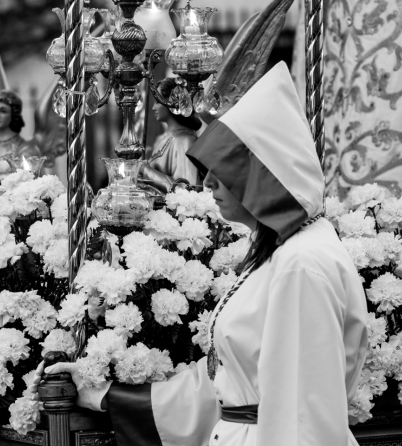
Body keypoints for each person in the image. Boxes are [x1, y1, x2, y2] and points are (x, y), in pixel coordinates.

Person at [30, 62, 368, 446]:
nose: (206, 182)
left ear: (259, 172)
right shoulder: (286, 249)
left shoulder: (301, 264)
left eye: (221, 169)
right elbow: (228, 387)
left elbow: (303, 419)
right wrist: (104, 395)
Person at [139, 78, 202, 193]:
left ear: (172, 102)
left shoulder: (184, 141)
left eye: (158, 101)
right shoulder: (163, 138)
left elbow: (187, 190)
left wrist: (145, 170)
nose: (153, 108)